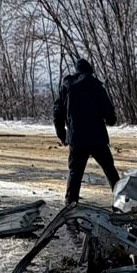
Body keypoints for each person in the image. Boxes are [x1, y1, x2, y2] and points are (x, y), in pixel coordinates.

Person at [53, 58, 120, 203]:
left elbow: (57, 112)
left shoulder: (67, 87)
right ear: (90, 71)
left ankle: (70, 207)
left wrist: (62, 134)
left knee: (75, 174)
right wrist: (111, 120)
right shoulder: (96, 86)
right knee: (110, 171)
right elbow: (108, 111)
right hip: (97, 137)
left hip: (76, 138)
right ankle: (121, 200)